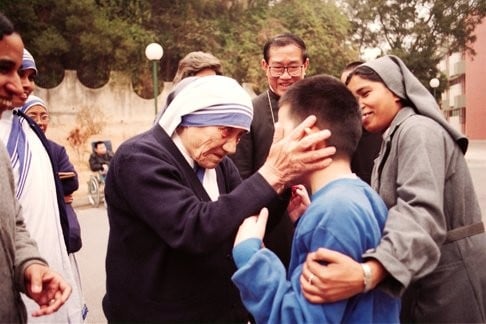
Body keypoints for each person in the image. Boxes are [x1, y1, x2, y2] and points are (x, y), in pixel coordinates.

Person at [102, 75, 336, 322]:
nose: (231, 148)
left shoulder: (218, 165)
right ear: (191, 117)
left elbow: (244, 218)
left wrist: (282, 184)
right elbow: (193, 228)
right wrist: (271, 173)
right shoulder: (139, 158)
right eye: (226, 131)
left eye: (239, 137)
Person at [301, 55, 486, 323]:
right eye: (353, 100)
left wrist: (370, 273)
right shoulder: (392, 139)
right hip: (424, 272)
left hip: (450, 275)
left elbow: (418, 210)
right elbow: (385, 210)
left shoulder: (418, 131)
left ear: (396, 90)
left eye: (365, 93)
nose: (359, 105)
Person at [231, 74, 400, 323]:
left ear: (310, 138)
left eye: (282, 134)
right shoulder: (358, 195)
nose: (275, 147)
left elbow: (299, 319)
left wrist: (250, 257)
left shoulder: (333, 213)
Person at [0, 20, 86, 323]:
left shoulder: (30, 132)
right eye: (6, 69)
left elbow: (13, 223)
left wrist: (30, 265)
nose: (22, 84)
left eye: (26, 74)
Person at [231, 32, 310, 268]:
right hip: (268, 220)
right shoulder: (250, 112)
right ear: (265, 66)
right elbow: (239, 178)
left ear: (305, 65)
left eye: (293, 67)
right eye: (278, 68)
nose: (285, 76)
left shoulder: (320, 105)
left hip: (312, 212)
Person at [21, 94, 82, 253]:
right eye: (32, 116)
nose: (39, 122)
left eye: (44, 116)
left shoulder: (56, 150)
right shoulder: (15, 151)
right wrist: (56, 196)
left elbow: (71, 182)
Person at [341, 61, 382, 185]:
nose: (357, 102)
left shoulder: (389, 134)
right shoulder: (337, 134)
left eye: (364, 93)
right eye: (347, 92)